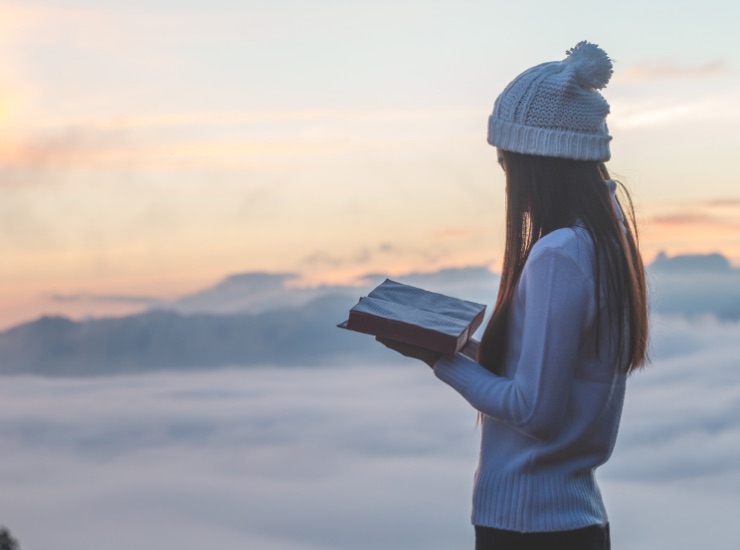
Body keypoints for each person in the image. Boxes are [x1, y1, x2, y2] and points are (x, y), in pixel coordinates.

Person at [377, 41, 649, 550]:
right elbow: (549, 378)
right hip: (572, 522)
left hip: (530, 528)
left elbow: (534, 411)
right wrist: (460, 349)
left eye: (507, 161)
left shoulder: (560, 255)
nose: (505, 175)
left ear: (537, 160)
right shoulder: (608, 240)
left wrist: (438, 359)